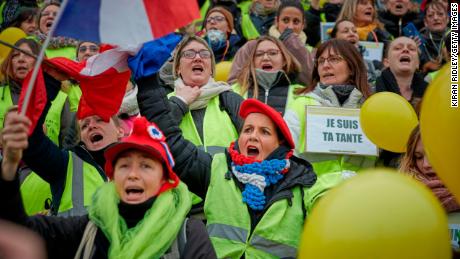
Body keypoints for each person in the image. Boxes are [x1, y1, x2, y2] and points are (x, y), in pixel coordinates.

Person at [136, 69, 340, 257]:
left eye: (264, 132)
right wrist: (147, 82)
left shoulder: (302, 183)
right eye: (247, 130)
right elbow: (169, 139)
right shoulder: (217, 169)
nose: (252, 136)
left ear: (280, 145)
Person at [0, 113, 217, 258]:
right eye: (124, 166)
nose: (132, 174)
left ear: (164, 179)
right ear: (113, 178)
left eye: (145, 166)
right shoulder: (90, 230)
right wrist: (9, 165)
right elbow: (18, 231)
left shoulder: (188, 234)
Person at [285, 39, 376, 176]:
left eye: (334, 59)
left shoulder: (371, 109)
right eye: (321, 61)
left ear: (351, 67)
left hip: (362, 193)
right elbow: (285, 154)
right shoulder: (301, 105)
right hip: (315, 194)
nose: (325, 66)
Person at [167, 35, 243, 156]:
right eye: (189, 54)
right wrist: (180, 103)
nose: (198, 58)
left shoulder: (230, 99)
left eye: (204, 54)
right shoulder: (165, 103)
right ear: (177, 68)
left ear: (211, 69)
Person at [0, 38, 72, 147]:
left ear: (41, 62)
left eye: (27, 54)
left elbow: (70, 146)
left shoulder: (61, 98)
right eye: (15, 55)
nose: (21, 59)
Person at [399, 125, 460, 253]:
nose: (426, 165)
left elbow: (454, 104)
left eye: (434, 154)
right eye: (419, 157)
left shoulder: (453, 103)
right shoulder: (403, 196)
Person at [233, 35, 303, 115]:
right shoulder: (235, 91)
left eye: (273, 53)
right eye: (259, 54)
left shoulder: (300, 93)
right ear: (252, 61)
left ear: (284, 60)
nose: (265, 58)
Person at [376, 36, 428, 108]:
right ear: (386, 62)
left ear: (417, 63)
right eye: (398, 48)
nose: (405, 50)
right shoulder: (369, 92)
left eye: (412, 49)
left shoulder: (431, 94)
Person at [330, 19, 382, 87]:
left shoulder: (370, 64)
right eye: (345, 31)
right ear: (334, 38)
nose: (352, 34)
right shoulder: (327, 64)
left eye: (354, 31)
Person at [419, 0, 450, 72]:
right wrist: (425, 66)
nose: (435, 18)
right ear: (425, 22)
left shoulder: (457, 37)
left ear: (447, 19)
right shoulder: (419, 42)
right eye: (430, 15)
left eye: (440, 14)